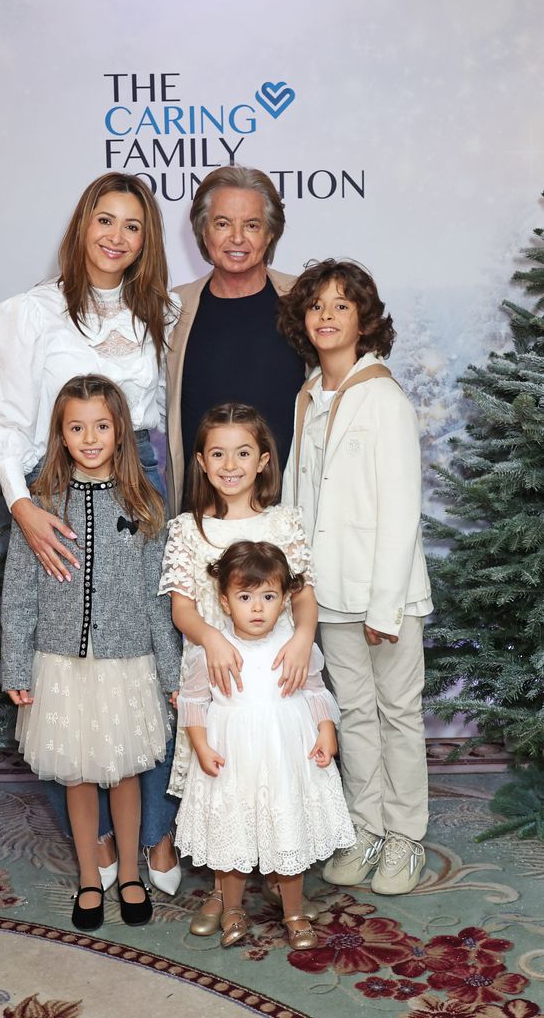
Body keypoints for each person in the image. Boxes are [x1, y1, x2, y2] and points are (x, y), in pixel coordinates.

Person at [0, 172, 181, 891]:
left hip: (142, 482)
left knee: (144, 656)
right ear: (81, 226)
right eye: (104, 220)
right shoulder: (30, 313)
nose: (116, 237)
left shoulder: (161, 315)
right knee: (69, 662)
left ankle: (154, 837)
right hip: (52, 487)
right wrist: (22, 504)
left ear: (147, 240)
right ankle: (97, 847)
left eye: (133, 225)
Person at [1, 375, 181, 930]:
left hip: (127, 665)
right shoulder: (42, 505)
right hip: (60, 665)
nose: (89, 437)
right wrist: (15, 663)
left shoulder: (144, 503)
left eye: (101, 425)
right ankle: (88, 875)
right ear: (60, 433)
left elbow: (158, 599)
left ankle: (129, 871)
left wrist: (172, 674)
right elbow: (19, 591)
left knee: (125, 772)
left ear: (120, 430)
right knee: (77, 775)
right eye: (76, 427)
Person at [280, 259, 433, 896]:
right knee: (355, 716)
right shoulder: (309, 395)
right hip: (328, 593)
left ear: (363, 319)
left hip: (382, 597)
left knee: (399, 712)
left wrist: (385, 605)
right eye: (316, 305)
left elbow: (402, 511)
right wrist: (295, 584)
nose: (326, 316)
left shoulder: (383, 397)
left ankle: (406, 838)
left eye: (341, 306)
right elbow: (296, 492)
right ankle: (366, 827)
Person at [159, 403, 321, 934]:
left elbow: (304, 595)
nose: (231, 464)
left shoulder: (283, 521)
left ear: (263, 460)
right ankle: (221, 894)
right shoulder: (188, 529)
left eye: (243, 452)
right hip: (217, 666)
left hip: (273, 668)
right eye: (219, 453)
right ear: (202, 463)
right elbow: (184, 606)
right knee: (221, 781)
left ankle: (280, 878)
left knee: (272, 772)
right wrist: (210, 639)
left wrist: (302, 638)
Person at [175, 541, 355, 949]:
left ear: (285, 600)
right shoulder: (214, 651)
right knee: (233, 836)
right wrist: (201, 746)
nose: (257, 608)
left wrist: (326, 729)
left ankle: (293, 910)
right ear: (224, 602)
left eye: (268, 597)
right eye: (245, 597)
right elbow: (192, 701)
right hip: (233, 757)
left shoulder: (293, 645)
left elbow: (314, 691)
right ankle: (233, 908)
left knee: (286, 829)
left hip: (285, 754)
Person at [165, 164, 305, 513]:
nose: (237, 238)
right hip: (200, 520)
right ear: (203, 232)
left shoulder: (304, 300)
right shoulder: (173, 308)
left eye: (252, 225)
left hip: (287, 514)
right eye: (223, 223)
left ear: (270, 234)